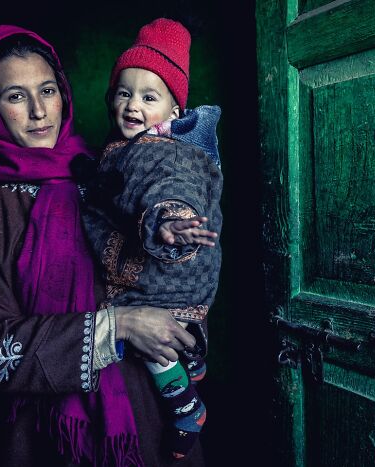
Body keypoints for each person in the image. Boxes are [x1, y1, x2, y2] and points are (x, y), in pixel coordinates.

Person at [0, 24, 204, 466]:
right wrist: (115, 326)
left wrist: (181, 328)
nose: (40, 111)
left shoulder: (110, 170)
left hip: (150, 420)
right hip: (46, 438)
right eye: (16, 96)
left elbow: (173, 274)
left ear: (65, 93)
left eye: (48, 90)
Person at [71, 18, 223, 459]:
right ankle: (194, 360)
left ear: (174, 113)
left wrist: (168, 220)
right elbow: (112, 183)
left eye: (148, 97)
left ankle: (185, 409)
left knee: (151, 346)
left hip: (162, 274)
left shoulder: (161, 151)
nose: (132, 104)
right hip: (175, 275)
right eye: (124, 92)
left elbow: (167, 187)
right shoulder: (129, 144)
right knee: (171, 331)